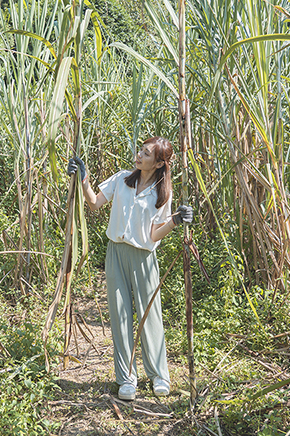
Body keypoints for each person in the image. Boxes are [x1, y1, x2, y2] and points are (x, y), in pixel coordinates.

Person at [67, 137, 193, 401]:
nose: (139, 156)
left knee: (150, 316)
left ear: (159, 163)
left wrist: (175, 221)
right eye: (140, 151)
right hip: (116, 253)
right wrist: (83, 178)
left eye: (146, 154)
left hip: (144, 258)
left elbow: (155, 234)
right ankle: (126, 379)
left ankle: (159, 376)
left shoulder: (162, 193)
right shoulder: (122, 179)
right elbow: (94, 203)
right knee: (121, 315)